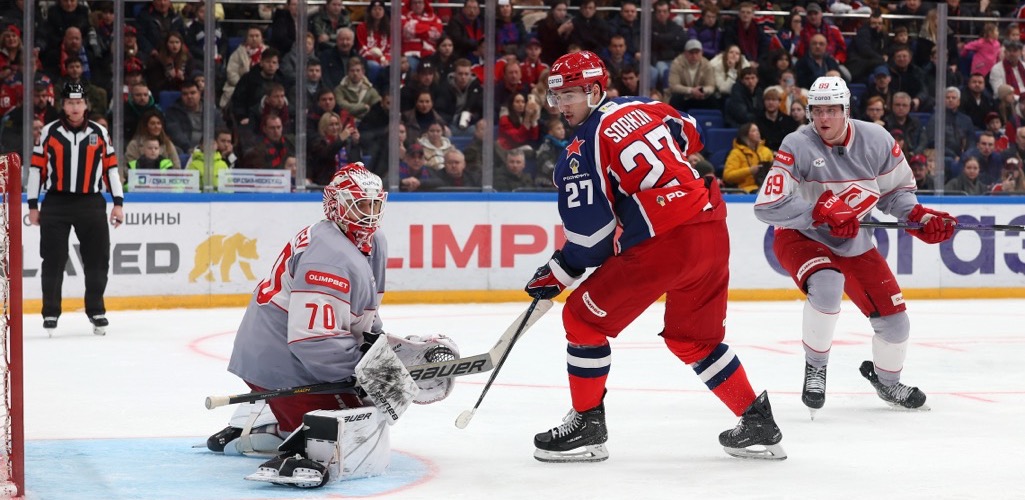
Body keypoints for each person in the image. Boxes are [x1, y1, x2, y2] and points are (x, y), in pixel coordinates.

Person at [525, 50, 785, 464]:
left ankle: (588, 424)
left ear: (594, 90)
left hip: (667, 240)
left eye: (569, 95)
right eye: (555, 97)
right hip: (711, 225)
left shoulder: (580, 149)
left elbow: (591, 239)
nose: (560, 106)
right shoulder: (643, 105)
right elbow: (691, 134)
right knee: (692, 339)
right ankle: (757, 421)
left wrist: (559, 270)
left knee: (581, 318)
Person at [207, 163, 459, 488]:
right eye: (359, 204)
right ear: (337, 204)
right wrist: (370, 374)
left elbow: (364, 315)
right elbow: (313, 343)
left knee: (375, 402)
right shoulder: (327, 258)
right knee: (363, 422)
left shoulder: (371, 241)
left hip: (281, 357)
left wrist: (378, 350)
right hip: (280, 364)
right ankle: (272, 428)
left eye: (374, 204)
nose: (368, 214)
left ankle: (267, 420)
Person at [753, 76, 957, 417]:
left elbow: (897, 194)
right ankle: (816, 367)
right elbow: (766, 206)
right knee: (828, 285)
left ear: (846, 110)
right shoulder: (796, 143)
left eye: (832, 110)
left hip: (853, 240)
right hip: (800, 236)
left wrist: (917, 216)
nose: (823, 119)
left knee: (896, 325)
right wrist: (816, 210)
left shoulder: (877, 139)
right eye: (817, 111)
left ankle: (888, 381)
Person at [28, 82, 124, 336]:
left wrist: (118, 203)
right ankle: (50, 312)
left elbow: (111, 169)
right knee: (53, 259)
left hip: (90, 202)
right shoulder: (49, 132)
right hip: (56, 203)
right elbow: (36, 170)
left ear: (85, 104)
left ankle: (96, 310)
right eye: (69, 103)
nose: (74, 107)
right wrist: (33, 205)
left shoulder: (100, 133)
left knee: (97, 258)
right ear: (63, 105)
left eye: (78, 102)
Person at [723, 122, 773, 193]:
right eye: (753, 131)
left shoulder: (766, 151)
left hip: (767, 187)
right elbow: (727, 176)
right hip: (746, 189)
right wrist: (749, 171)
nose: (758, 133)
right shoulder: (736, 153)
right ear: (745, 135)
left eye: (758, 130)